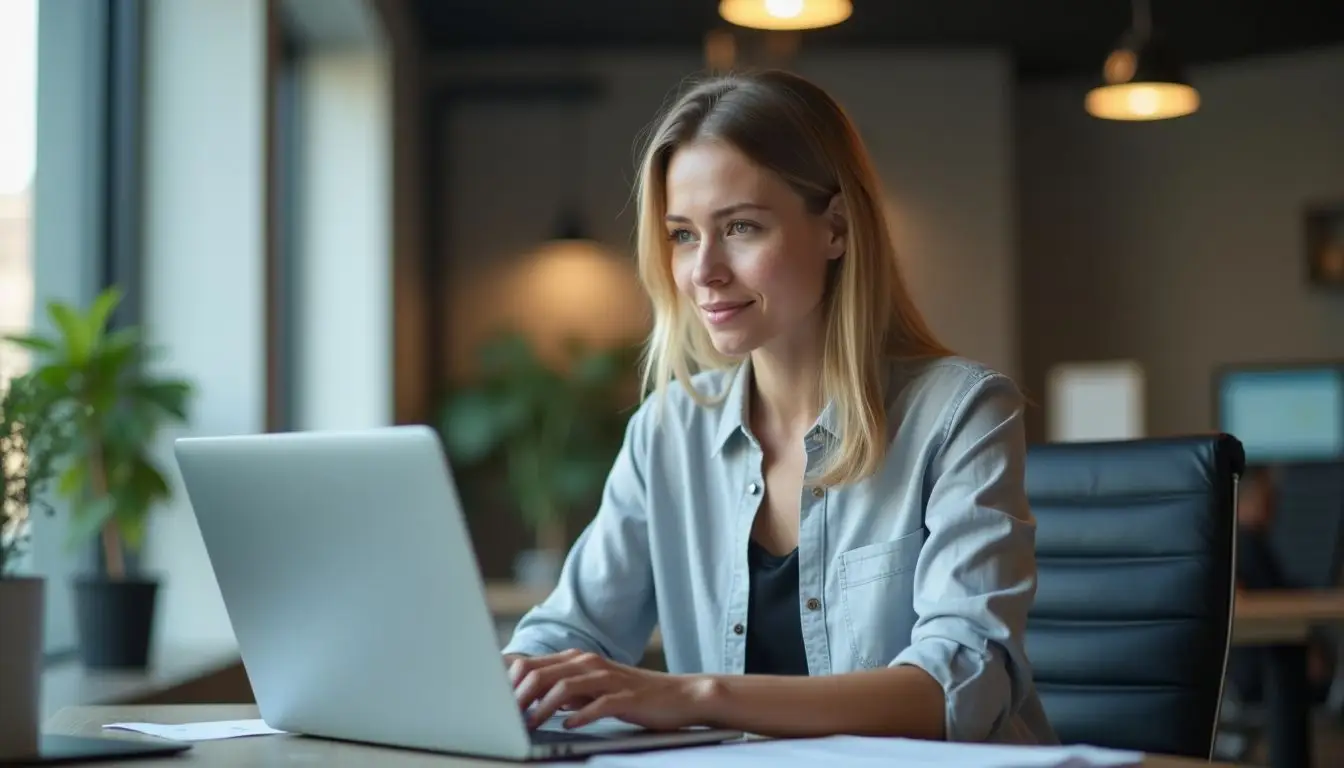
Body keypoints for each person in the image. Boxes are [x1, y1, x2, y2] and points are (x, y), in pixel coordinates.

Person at [500, 69, 1057, 746]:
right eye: (682, 235)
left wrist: (699, 695)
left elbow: (964, 682)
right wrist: (518, 675)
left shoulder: (962, 411)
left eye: (739, 228)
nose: (703, 271)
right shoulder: (668, 430)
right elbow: (571, 632)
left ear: (837, 229)